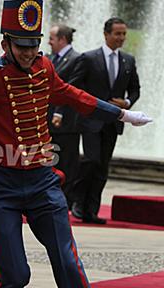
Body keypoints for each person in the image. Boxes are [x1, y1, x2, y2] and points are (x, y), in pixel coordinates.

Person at [0, 1, 151, 287]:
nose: (29, 53)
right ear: (5, 44)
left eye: (34, 45)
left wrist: (121, 114)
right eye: (22, 46)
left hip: (42, 181)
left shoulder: (44, 66)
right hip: (1, 185)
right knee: (15, 277)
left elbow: (73, 95)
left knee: (68, 261)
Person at [69, 17, 141, 224]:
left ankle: (91, 210)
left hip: (113, 122)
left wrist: (127, 102)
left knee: (102, 168)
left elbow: (135, 89)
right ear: (106, 34)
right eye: (118, 34)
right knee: (91, 160)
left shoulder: (128, 60)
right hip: (90, 120)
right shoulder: (89, 58)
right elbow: (74, 88)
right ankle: (77, 200)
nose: (121, 38)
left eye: (124, 34)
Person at [47, 24, 81, 206]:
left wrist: (59, 112)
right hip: (48, 120)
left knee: (67, 161)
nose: (49, 42)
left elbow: (71, 89)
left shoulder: (76, 59)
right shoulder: (49, 58)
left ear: (62, 39)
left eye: (52, 38)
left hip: (67, 123)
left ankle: (66, 199)